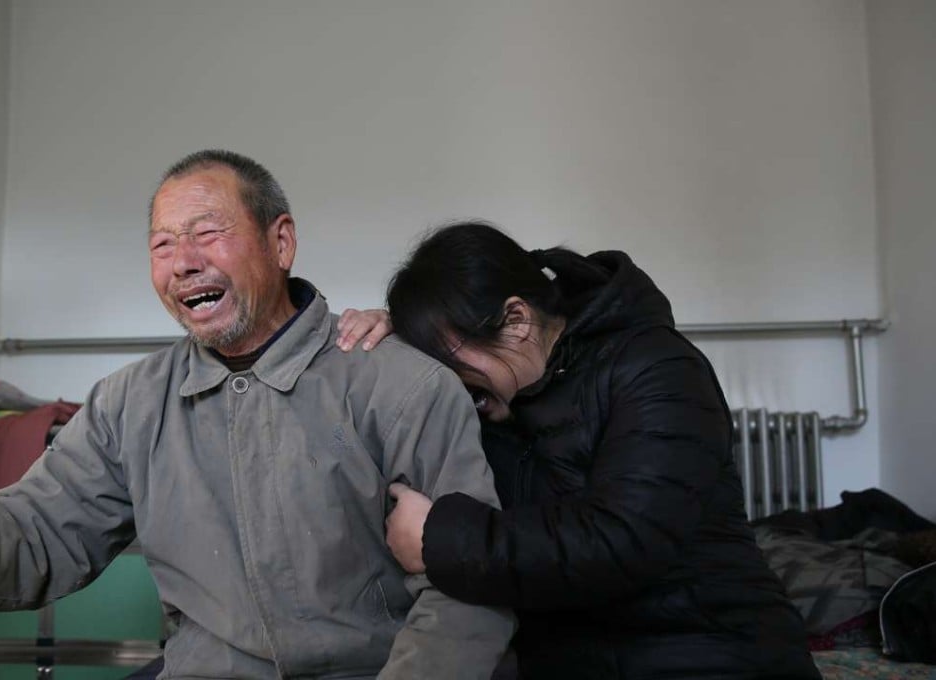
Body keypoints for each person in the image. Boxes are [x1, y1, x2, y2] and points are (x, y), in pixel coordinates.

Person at [0, 152, 515, 679]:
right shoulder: (127, 404)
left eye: (207, 232)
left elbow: (462, 594)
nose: (183, 262)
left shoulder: (401, 385)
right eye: (162, 244)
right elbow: (35, 536)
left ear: (281, 242)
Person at [351, 221, 821, 679]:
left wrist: (441, 539)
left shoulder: (657, 368)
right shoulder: (494, 400)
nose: (448, 380)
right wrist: (400, 351)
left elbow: (624, 539)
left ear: (516, 320)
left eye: (449, 360)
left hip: (710, 651)